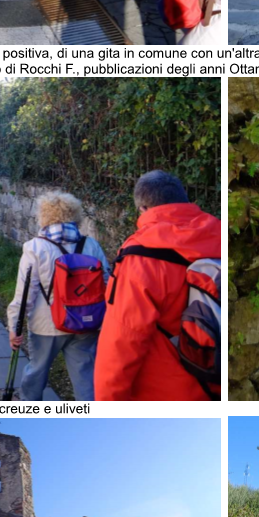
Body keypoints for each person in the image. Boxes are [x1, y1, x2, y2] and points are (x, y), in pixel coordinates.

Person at [94, 170, 220, 402]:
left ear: (142, 208)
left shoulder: (141, 257)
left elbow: (121, 342)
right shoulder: (221, 234)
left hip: (163, 394)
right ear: (184, 199)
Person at [6, 192, 109, 403]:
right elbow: (107, 283)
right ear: (76, 215)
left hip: (46, 326)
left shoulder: (35, 248)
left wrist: (13, 327)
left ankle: (28, 407)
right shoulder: (91, 245)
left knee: (37, 371)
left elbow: (24, 294)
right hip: (86, 322)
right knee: (85, 376)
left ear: (44, 216)